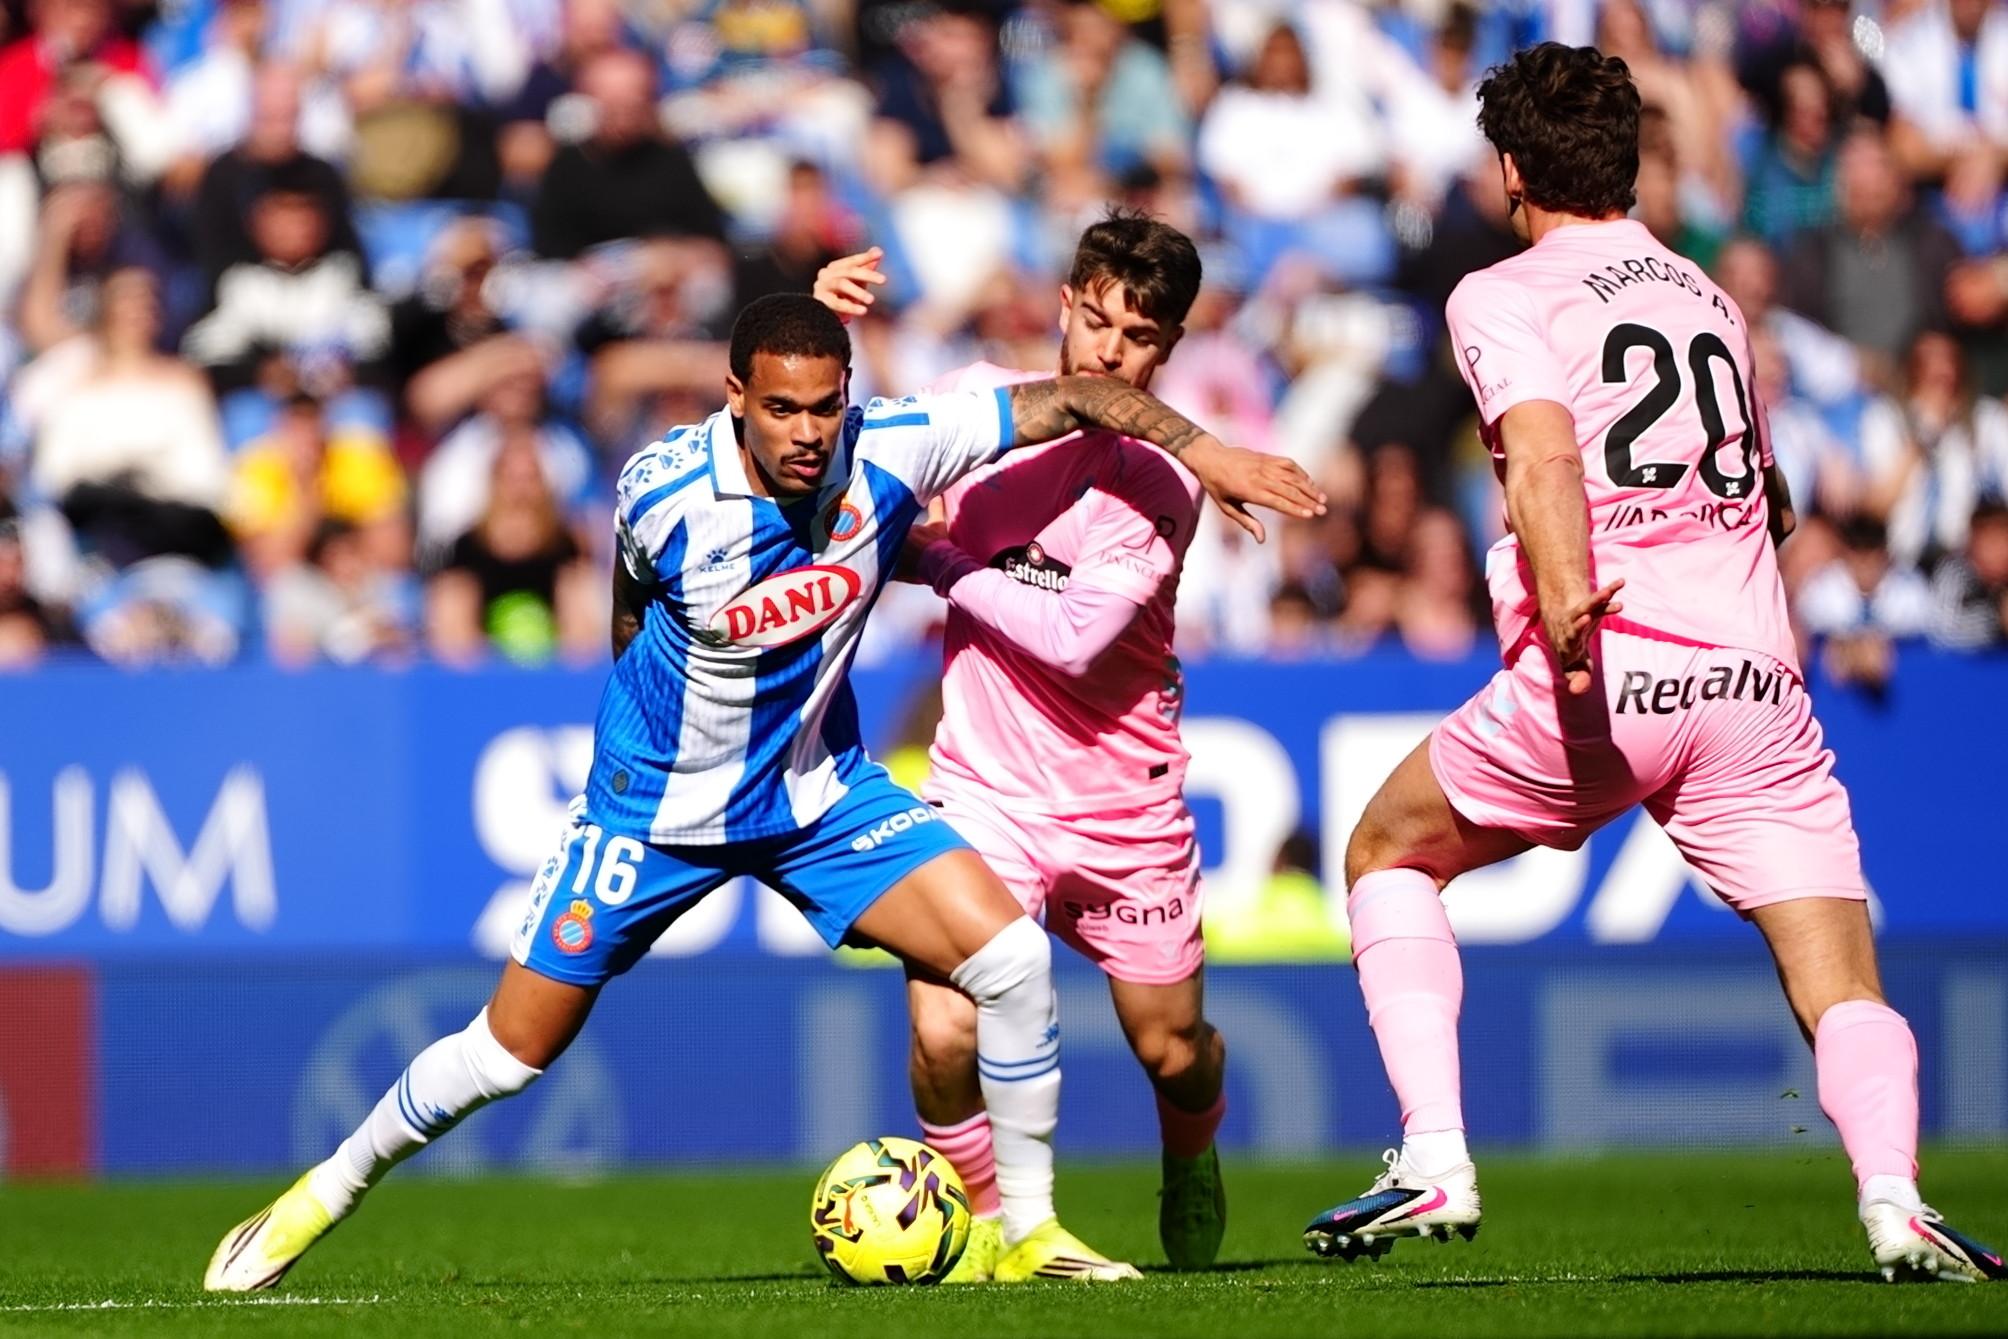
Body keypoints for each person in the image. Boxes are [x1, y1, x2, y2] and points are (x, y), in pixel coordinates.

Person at [202, 293, 1322, 1293]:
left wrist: (1206, 452)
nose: (806, 433)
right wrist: (638, 744)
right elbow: (632, 605)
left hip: (813, 797)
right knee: (507, 1052)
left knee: (1013, 961)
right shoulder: (662, 493)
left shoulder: (897, 448)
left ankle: (1026, 1232)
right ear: (735, 397)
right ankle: (322, 1191)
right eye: (782, 409)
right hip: (656, 814)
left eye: (825, 408)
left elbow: (1080, 393)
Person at [1300, 43, 2003, 1285]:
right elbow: (1770, 494)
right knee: (1836, 969)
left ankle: (1434, 1160)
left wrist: (1568, 590)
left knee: (1384, 849)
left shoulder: (1501, 293)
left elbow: (1541, 447)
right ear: (1626, 163)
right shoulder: (1706, 297)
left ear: (1510, 171)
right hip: (1751, 677)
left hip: (1607, 665)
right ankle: (1897, 1200)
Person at [815, 212, 1231, 1279]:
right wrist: (826, 334)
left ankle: (1191, 1154)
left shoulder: (1162, 479)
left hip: (1118, 802)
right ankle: (998, 1230)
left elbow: (1076, 639)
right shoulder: (974, 404)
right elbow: (849, 480)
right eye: (1094, 320)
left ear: (1167, 348)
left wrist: (944, 563)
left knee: (1170, 1051)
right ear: (1064, 304)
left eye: (1136, 338)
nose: (1106, 352)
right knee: (944, 1038)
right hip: (982, 787)